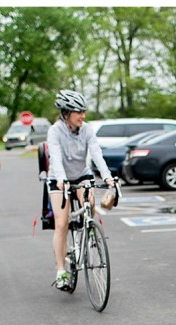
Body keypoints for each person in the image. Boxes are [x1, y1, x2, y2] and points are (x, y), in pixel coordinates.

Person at [46, 89, 115, 291]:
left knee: (90, 202)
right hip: (59, 179)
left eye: (84, 112)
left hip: (81, 174)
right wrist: (60, 179)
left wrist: (108, 177)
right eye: (79, 112)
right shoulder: (55, 131)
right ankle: (61, 271)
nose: (83, 116)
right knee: (61, 222)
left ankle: (88, 230)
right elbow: (55, 158)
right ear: (66, 113)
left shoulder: (87, 130)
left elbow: (96, 154)